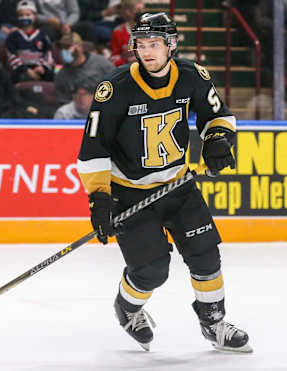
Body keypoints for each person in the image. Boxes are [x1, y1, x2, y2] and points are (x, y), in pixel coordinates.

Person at [77, 12, 252, 353]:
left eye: (154, 43)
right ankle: (127, 309)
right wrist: (99, 198)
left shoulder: (192, 76)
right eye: (141, 44)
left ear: (171, 44)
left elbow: (217, 115)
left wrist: (217, 140)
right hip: (131, 193)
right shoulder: (114, 89)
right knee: (152, 271)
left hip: (178, 186)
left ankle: (213, 321)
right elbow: (93, 148)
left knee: (206, 257)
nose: (147, 51)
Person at [54, 32, 114, 104]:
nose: (64, 51)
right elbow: (63, 100)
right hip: (76, 109)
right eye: (62, 47)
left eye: (67, 47)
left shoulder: (100, 62)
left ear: (79, 47)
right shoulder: (61, 75)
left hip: (103, 104)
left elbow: (116, 82)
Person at [6, 0, 55, 83]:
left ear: (35, 16)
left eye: (28, 15)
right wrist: (27, 71)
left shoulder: (43, 35)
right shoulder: (13, 36)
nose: (25, 17)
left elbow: (48, 54)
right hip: (21, 70)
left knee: (51, 77)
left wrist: (42, 67)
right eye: (21, 15)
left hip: (39, 68)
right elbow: (12, 57)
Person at [110, 0, 145, 66]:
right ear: (128, 12)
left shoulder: (152, 30)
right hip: (127, 69)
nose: (142, 13)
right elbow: (114, 59)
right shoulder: (118, 32)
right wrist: (127, 60)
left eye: (143, 9)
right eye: (138, 10)